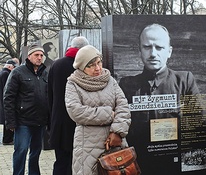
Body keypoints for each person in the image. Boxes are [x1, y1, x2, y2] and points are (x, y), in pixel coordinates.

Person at [118, 23, 202, 174]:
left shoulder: (184, 81)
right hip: (139, 164)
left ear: (169, 51)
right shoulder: (127, 84)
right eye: (147, 47)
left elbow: (196, 120)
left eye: (159, 48)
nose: (153, 54)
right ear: (140, 51)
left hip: (174, 162)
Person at [65, 45, 131, 175]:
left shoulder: (110, 80)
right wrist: (108, 114)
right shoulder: (73, 83)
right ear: (82, 67)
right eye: (91, 65)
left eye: (99, 62)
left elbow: (123, 106)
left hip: (115, 141)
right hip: (87, 145)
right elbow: (76, 111)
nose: (98, 68)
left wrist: (117, 132)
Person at [3, 44, 49, 175]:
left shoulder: (45, 73)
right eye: (36, 55)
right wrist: (10, 122)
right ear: (29, 56)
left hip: (40, 121)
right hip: (23, 121)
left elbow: (48, 96)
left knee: (35, 152)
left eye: (41, 55)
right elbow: (8, 97)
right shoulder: (17, 72)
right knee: (21, 150)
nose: (39, 58)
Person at [48, 36, 89, 175]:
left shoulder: (56, 64)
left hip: (59, 120)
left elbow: (50, 94)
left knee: (61, 160)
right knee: (76, 161)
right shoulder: (84, 66)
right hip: (78, 120)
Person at [0, 59, 18, 145]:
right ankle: (7, 139)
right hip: (4, 100)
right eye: (14, 67)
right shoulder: (6, 74)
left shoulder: (3, 72)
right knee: (7, 119)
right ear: (10, 66)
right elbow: (7, 88)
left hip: (2, 100)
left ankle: (7, 139)